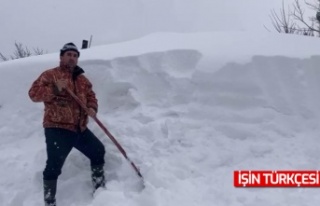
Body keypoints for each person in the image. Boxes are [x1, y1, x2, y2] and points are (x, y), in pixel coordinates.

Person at [28, 43, 106, 206]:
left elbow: (91, 96)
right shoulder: (50, 75)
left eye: (75, 55)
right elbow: (33, 94)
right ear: (61, 57)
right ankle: (50, 200)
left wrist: (92, 108)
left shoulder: (82, 79)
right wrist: (56, 88)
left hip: (80, 128)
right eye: (69, 54)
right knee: (54, 165)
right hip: (57, 128)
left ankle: (99, 189)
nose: (72, 57)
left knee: (98, 151)